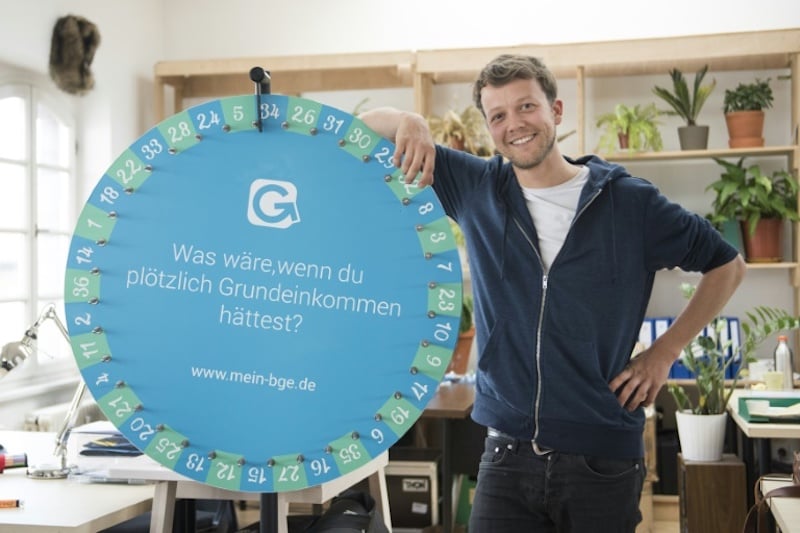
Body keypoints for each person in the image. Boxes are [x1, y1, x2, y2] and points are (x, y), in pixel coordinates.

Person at [360, 54, 746, 532]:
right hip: (506, 456)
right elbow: (362, 128)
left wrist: (666, 352)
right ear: (488, 128)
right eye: (498, 116)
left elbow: (728, 264)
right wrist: (411, 121)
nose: (514, 125)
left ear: (556, 111)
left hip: (601, 460)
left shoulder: (629, 202)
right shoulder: (477, 188)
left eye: (526, 107)